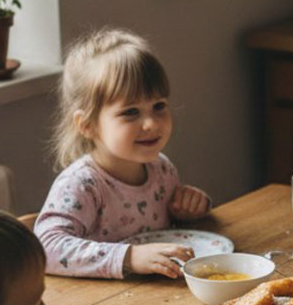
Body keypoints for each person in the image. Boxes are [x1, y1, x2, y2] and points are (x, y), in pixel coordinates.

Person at [36, 28, 212, 279]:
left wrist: (190, 208)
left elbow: (168, 234)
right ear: (87, 125)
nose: (151, 123)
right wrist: (129, 257)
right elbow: (45, 248)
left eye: (159, 106)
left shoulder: (161, 169)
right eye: (130, 112)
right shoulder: (82, 184)